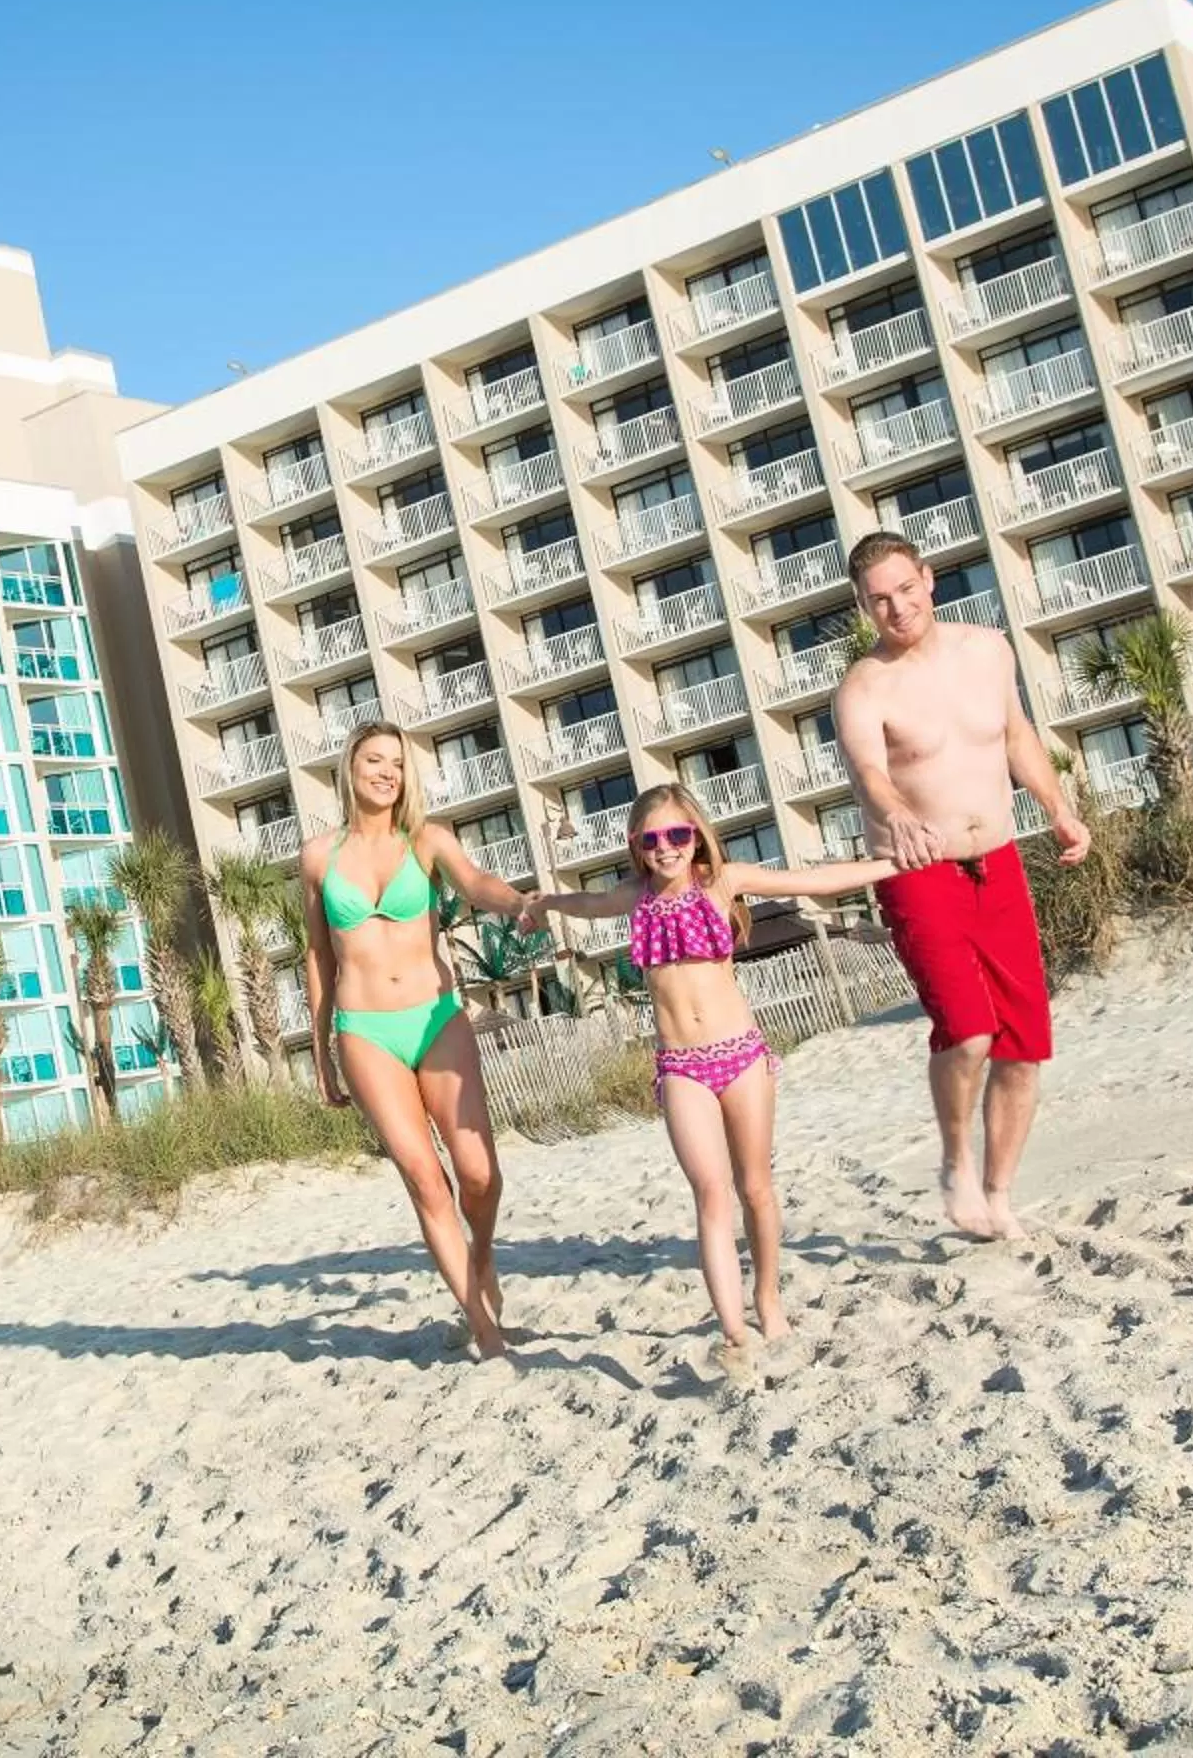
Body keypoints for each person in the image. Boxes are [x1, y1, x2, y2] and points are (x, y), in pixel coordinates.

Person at [525, 784, 893, 1376]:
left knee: (757, 1189)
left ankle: (767, 1299)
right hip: (681, 1068)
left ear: (695, 836)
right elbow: (583, 905)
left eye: (677, 834)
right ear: (636, 847)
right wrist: (542, 905)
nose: (666, 848)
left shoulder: (723, 883)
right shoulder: (634, 898)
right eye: (653, 839)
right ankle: (733, 1331)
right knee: (711, 1195)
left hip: (741, 1055)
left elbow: (814, 880)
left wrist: (892, 863)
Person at [833, 531, 1090, 1243]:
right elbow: (869, 775)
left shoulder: (988, 650)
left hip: (999, 860)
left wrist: (1059, 809)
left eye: (905, 590)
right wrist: (898, 815)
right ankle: (955, 1164)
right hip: (920, 874)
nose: (897, 608)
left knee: (1023, 1045)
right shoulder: (864, 686)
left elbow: (1014, 737)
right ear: (864, 606)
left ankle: (998, 1193)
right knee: (969, 1031)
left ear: (929, 579)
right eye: (879, 600)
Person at [301, 721, 544, 1359]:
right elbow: (319, 958)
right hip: (365, 1030)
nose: (386, 772)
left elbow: (474, 880)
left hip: (435, 1015)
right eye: (374, 760)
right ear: (350, 767)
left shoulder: (426, 840)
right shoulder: (318, 856)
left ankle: (482, 1261)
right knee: (424, 1178)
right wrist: (322, 1052)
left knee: (479, 1175)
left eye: (397, 764)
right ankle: (485, 1333)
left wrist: (515, 902)